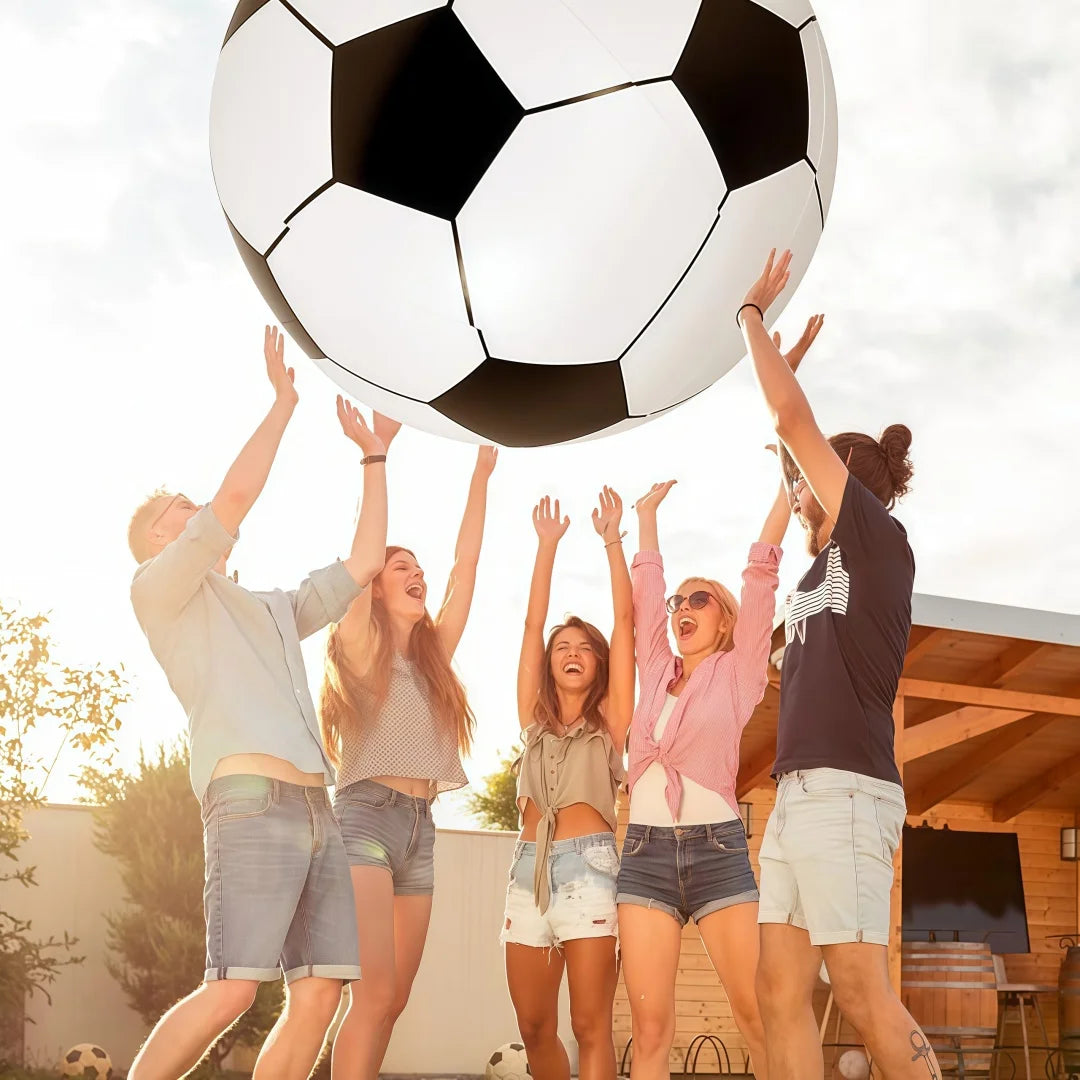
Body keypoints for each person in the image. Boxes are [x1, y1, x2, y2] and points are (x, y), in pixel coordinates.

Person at [126, 326, 388, 1080]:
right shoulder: (160, 593)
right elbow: (234, 498)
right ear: (155, 544)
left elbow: (365, 562)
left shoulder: (272, 607)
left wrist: (374, 457)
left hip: (316, 808)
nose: (197, 507)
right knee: (235, 989)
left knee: (322, 991)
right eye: (178, 509)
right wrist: (283, 405)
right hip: (248, 799)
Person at [738, 250, 940, 1079]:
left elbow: (792, 424)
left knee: (858, 988)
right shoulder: (817, 570)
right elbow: (786, 447)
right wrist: (788, 374)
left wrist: (751, 320)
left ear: (845, 484)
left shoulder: (877, 540)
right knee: (780, 993)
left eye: (804, 480)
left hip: (849, 795)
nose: (794, 487)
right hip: (796, 798)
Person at [319, 431, 497, 1080]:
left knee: (392, 999)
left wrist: (481, 474)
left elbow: (466, 567)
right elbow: (364, 559)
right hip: (366, 819)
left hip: (422, 830)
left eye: (417, 568)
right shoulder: (362, 649)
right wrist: (376, 456)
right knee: (372, 993)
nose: (416, 574)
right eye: (402, 568)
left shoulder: (434, 654)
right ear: (375, 586)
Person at [616, 471, 793, 1080]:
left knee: (755, 1013)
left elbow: (760, 577)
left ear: (725, 621)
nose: (682, 608)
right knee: (650, 1030)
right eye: (679, 603)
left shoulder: (739, 673)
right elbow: (645, 601)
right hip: (643, 854)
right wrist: (645, 520)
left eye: (700, 600)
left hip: (718, 853)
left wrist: (783, 492)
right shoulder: (657, 673)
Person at [501, 489, 634, 1080]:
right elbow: (532, 623)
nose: (572, 653)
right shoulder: (532, 717)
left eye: (584, 648)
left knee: (590, 1025)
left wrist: (611, 541)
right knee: (533, 1025)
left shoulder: (612, 723)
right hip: (528, 869)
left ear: (598, 664)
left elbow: (626, 624)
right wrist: (546, 548)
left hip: (591, 871)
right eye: (563, 647)